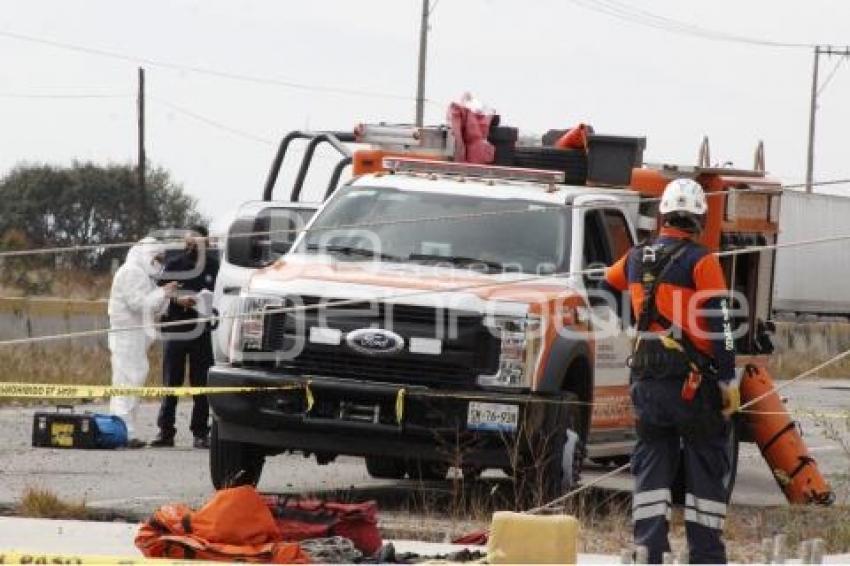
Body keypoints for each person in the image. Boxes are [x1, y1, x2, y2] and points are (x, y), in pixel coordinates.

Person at [602, 178, 739, 564]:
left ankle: (648, 551)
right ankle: (706, 556)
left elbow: (606, 282)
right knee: (705, 466)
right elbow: (722, 324)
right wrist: (728, 379)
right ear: (698, 218)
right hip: (694, 384)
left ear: (662, 215)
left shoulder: (634, 256)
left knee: (651, 463)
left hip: (647, 380)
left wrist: (632, 323)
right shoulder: (702, 260)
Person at [150, 226, 219, 449]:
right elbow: (160, 292)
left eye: (197, 243)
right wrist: (178, 300)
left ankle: (200, 432)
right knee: (172, 380)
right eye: (188, 242)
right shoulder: (174, 265)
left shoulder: (214, 267)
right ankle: (165, 431)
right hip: (177, 328)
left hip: (202, 330)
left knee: (201, 382)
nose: (191, 247)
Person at [108, 237, 179, 448]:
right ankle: (123, 432)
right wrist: (162, 293)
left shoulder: (143, 275)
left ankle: (125, 431)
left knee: (134, 381)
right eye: (157, 258)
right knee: (125, 381)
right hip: (127, 336)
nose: (159, 262)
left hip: (137, 338)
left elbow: (155, 308)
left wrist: (166, 294)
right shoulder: (131, 272)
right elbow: (139, 304)